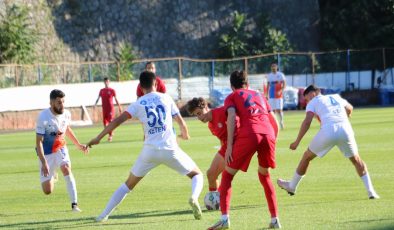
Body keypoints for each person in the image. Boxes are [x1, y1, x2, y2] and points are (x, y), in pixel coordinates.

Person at [87, 71, 204, 222]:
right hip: (170, 149)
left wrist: (98, 138)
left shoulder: (138, 104)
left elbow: (117, 121)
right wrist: (185, 134)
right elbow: (181, 121)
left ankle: (103, 215)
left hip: (149, 152)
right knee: (197, 175)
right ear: (156, 84)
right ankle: (194, 198)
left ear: (141, 87)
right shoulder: (166, 98)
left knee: (127, 185)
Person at [277, 85, 380, 200]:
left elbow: (307, 122)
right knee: (356, 160)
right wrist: (346, 116)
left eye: (306, 99)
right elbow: (349, 108)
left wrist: (297, 142)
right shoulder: (336, 96)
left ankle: (292, 186)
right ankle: (371, 192)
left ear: (312, 94)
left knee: (306, 157)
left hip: (328, 130)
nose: (306, 102)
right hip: (345, 129)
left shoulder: (313, 101)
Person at [208, 70, 281, 230]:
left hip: (250, 133)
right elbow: (274, 121)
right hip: (268, 133)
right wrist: (272, 140)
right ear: (247, 83)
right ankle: (275, 219)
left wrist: (229, 147)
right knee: (264, 176)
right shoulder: (260, 95)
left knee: (227, 176)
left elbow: (232, 117)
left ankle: (224, 218)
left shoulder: (232, 96)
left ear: (231, 86)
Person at [35, 89, 88, 212]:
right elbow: (38, 142)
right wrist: (44, 162)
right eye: (59, 102)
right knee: (47, 191)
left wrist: (78, 144)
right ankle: (53, 176)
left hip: (60, 147)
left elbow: (66, 129)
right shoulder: (43, 117)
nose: (62, 105)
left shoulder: (67, 114)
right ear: (52, 103)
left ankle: (74, 205)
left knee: (66, 168)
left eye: (63, 101)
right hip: (46, 153)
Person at [186, 98, 239, 195]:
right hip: (227, 147)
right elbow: (222, 140)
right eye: (196, 115)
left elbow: (237, 117)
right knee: (211, 174)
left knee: (220, 175)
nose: (199, 118)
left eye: (199, 113)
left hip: (239, 143)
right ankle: (215, 200)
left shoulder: (222, 111)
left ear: (205, 107)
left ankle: (219, 200)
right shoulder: (210, 125)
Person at [94, 77, 122, 142]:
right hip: (104, 109)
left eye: (107, 81)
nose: (106, 83)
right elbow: (98, 98)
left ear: (109, 82)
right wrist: (95, 105)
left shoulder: (112, 90)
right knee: (104, 123)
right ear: (104, 82)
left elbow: (116, 99)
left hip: (110, 109)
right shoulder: (101, 90)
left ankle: (110, 135)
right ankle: (110, 133)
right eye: (105, 81)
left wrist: (119, 106)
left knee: (110, 122)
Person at [267, 62, 286, 129]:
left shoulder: (280, 75)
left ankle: (281, 122)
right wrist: (267, 94)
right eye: (272, 67)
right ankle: (275, 123)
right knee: (273, 110)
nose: (273, 68)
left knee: (279, 109)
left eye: (274, 67)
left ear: (276, 68)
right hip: (272, 94)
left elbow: (284, 84)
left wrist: (281, 91)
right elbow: (268, 85)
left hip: (279, 95)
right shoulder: (269, 76)